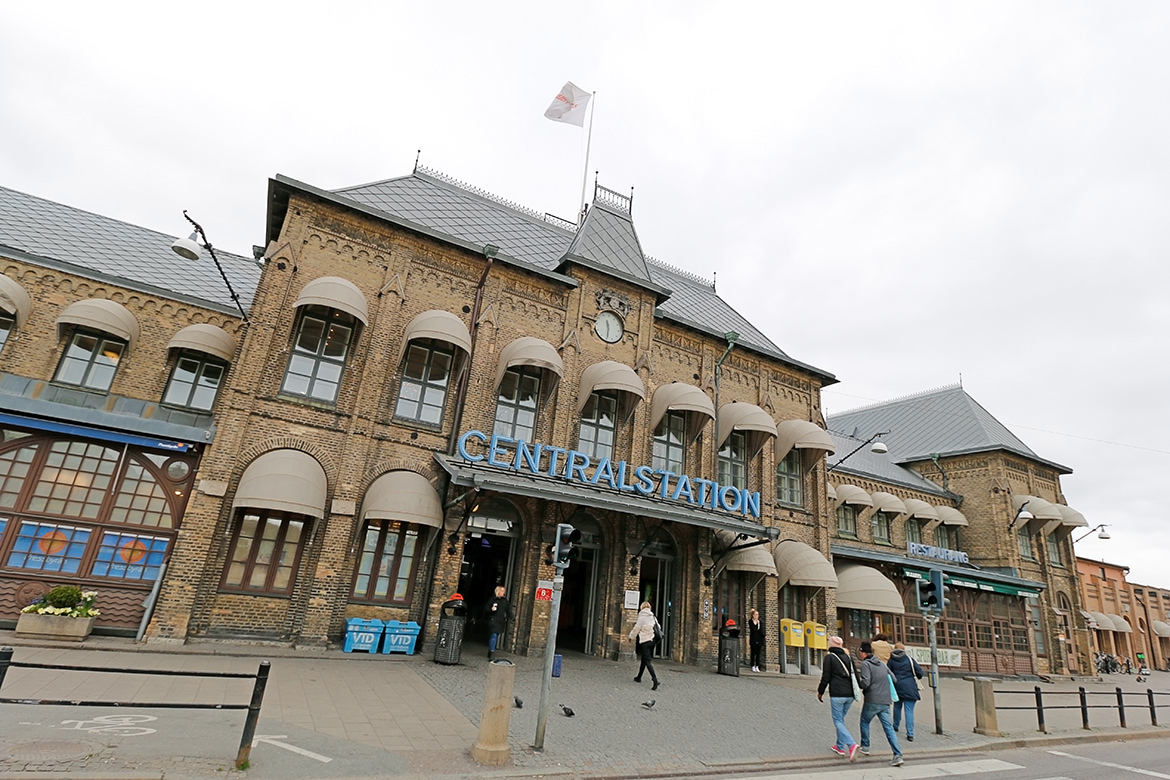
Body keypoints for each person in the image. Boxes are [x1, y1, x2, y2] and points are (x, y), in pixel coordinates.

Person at [857, 640, 904, 767]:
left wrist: (858, 683)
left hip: (872, 700)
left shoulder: (866, 664)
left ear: (862, 653)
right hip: (885, 701)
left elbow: (866, 682)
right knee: (888, 728)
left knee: (864, 721)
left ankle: (865, 746)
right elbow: (893, 679)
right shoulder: (882, 664)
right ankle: (897, 754)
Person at [817, 636, 860, 762]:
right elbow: (856, 675)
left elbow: (826, 677)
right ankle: (839, 746)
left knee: (838, 721)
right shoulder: (848, 657)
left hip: (837, 694)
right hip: (850, 695)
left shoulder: (829, 658)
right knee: (841, 720)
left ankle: (851, 745)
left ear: (830, 645)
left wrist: (820, 692)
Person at [888, 642, 924, 741]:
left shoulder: (891, 660)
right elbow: (919, 673)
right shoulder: (910, 660)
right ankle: (910, 734)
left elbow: (888, 673)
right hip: (910, 687)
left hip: (897, 686)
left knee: (897, 707)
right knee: (909, 711)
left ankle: (895, 725)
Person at [629, 601, 660, 690]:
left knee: (647, 661)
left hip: (645, 641)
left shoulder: (641, 617)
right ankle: (639, 677)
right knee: (644, 659)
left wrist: (631, 636)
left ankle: (655, 680)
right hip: (652, 641)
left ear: (642, 607)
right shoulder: (652, 616)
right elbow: (658, 627)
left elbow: (636, 628)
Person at [485, 585, 513, 660]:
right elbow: (486, 609)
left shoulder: (505, 601)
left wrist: (512, 617)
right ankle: (492, 652)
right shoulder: (492, 600)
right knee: (493, 635)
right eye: (502, 591)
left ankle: (491, 650)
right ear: (498, 591)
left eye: (504, 591)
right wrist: (491, 609)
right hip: (493, 620)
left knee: (495, 635)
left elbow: (508, 610)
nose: (503, 593)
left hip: (500, 621)